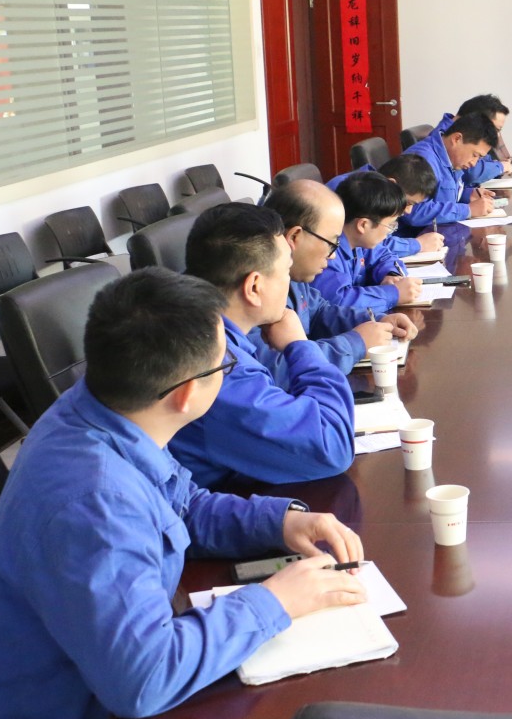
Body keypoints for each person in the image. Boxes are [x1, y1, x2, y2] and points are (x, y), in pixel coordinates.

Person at [0, 267, 366, 719]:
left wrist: (279, 521)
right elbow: (143, 680)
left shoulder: (98, 410)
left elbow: (182, 502)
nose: (230, 372)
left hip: (87, 717)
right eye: (226, 366)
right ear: (186, 394)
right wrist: (275, 602)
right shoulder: (95, 499)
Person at [171, 203, 357, 487]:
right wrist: (299, 345)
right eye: (286, 271)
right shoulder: (217, 367)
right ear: (254, 287)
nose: (289, 283)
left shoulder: (191, 322)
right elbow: (333, 447)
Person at [263, 180, 417, 375]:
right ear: (294, 237)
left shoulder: (295, 277)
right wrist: (355, 344)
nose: (333, 255)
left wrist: (377, 320)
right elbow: (275, 370)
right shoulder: (257, 292)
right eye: (331, 243)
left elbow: (320, 313)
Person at [316, 172, 422, 314]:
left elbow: (383, 255)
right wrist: (393, 294)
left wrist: (390, 274)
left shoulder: (359, 240)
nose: (390, 232)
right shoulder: (327, 253)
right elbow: (339, 301)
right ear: (363, 225)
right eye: (390, 225)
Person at [325, 154, 445, 260]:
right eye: (408, 202)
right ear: (392, 184)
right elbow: (374, 244)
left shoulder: (372, 188)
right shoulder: (353, 191)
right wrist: (418, 245)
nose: (408, 211)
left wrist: (390, 271)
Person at [399, 111, 501, 231]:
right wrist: (468, 210)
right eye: (474, 155)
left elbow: (440, 194)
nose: (474, 163)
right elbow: (413, 212)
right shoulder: (422, 160)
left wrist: (467, 194)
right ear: (456, 139)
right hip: (417, 236)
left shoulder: (452, 158)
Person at [456, 93, 512, 194]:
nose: (497, 135)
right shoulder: (452, 138)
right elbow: (472, 173)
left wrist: (469, 195)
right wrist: (501, 166)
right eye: (495, 129)